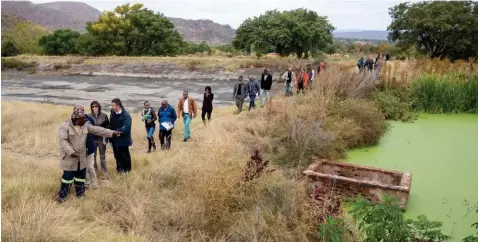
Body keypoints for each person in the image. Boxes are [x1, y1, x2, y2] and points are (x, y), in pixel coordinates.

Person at [57, 105, 118, 203]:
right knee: (67, 178)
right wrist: (72, 153)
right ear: (76, 120)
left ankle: (80, 195)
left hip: (81, 157)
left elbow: (98, 130)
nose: (84, 122)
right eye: (82, 121)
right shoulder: (65, 126)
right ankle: (62, 197)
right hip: (69, 158)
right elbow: (62, 142)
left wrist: (112, 133)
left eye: (85, 120)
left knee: (80, 177)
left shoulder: (85, 125)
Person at [88, 101, 110, 182]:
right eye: (93, 106)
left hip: (101, 139)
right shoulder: (88, 116)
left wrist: (106, 138)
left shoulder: (104, 116)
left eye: (96, 106)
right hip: (92, 139)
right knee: (93, 156)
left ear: (99, 107)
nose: (94, 108)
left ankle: (104, 171)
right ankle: (95, 172)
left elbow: (108, 127)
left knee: (102, 156)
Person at [109, 98, 133, 173]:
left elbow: (127, 128)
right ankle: (119, 170)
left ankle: (127, 171)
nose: (112, 107)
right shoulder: (112, 113)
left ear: (118, 105)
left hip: (124, 139)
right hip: (114, 139)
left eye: (113, 106)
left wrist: (117, 131)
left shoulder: (126, 115)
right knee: (117, 155)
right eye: (112, 106)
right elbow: (111, 125)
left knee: (125, 156)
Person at [85, 115, 98, 189]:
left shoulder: (90, 120)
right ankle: (87, 184)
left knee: (90, 167)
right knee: (85, 168)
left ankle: (94, 183)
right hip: (81, 150)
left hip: (90, 149)